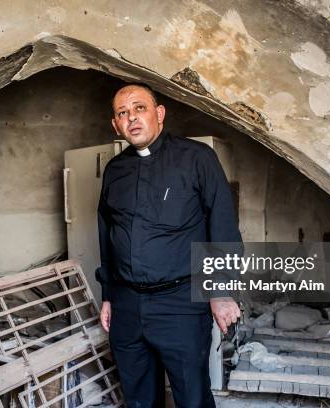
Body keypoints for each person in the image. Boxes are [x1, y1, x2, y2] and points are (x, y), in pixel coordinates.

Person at [95, 83, 242, 408]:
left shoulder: (197, 158)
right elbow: (107, 233)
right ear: (116, 125)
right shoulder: (114, 171)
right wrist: (108, 295)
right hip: (127, 306)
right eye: (123, 113)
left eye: (139, 108)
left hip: (181, 304)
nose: (131, 118)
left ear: (159, 114)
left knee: (191, 398)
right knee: (138, 400)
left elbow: (223, 228)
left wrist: (220, 291)